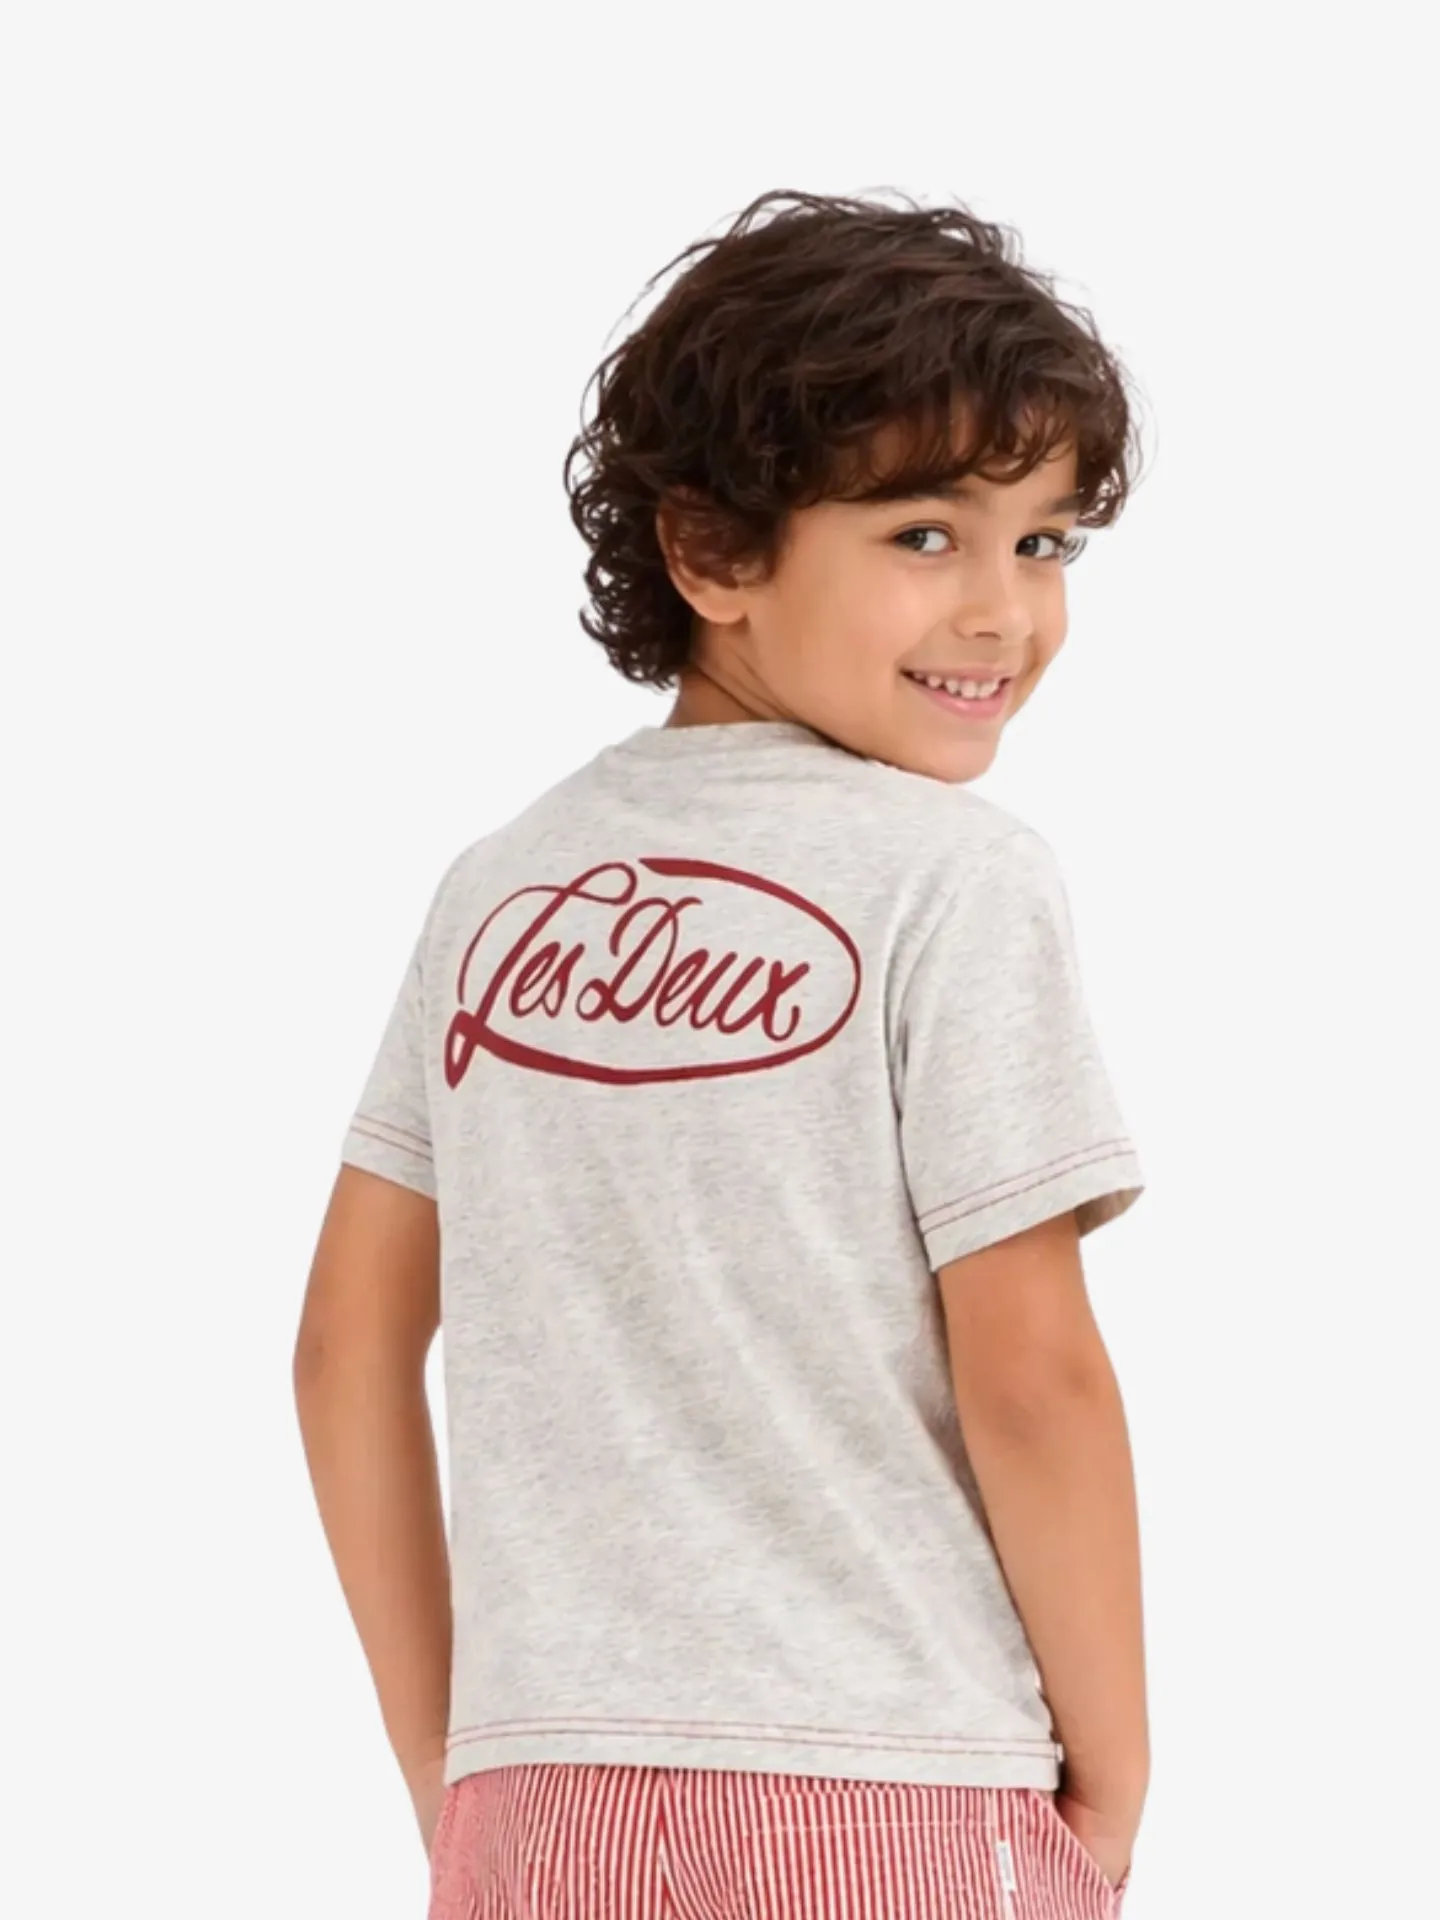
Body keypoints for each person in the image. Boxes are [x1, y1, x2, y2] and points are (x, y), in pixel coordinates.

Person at [294, 187, 1151, 1919]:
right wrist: (1116, 1769)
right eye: (927, 534)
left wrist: (452, 1763)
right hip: (898, 1791)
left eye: (1045, 544)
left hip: (542, 1810)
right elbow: (1033, 1376)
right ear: (713, 553)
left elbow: (343, 1350)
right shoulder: (955, 880)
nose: (1003, 613)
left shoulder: (506, 888)